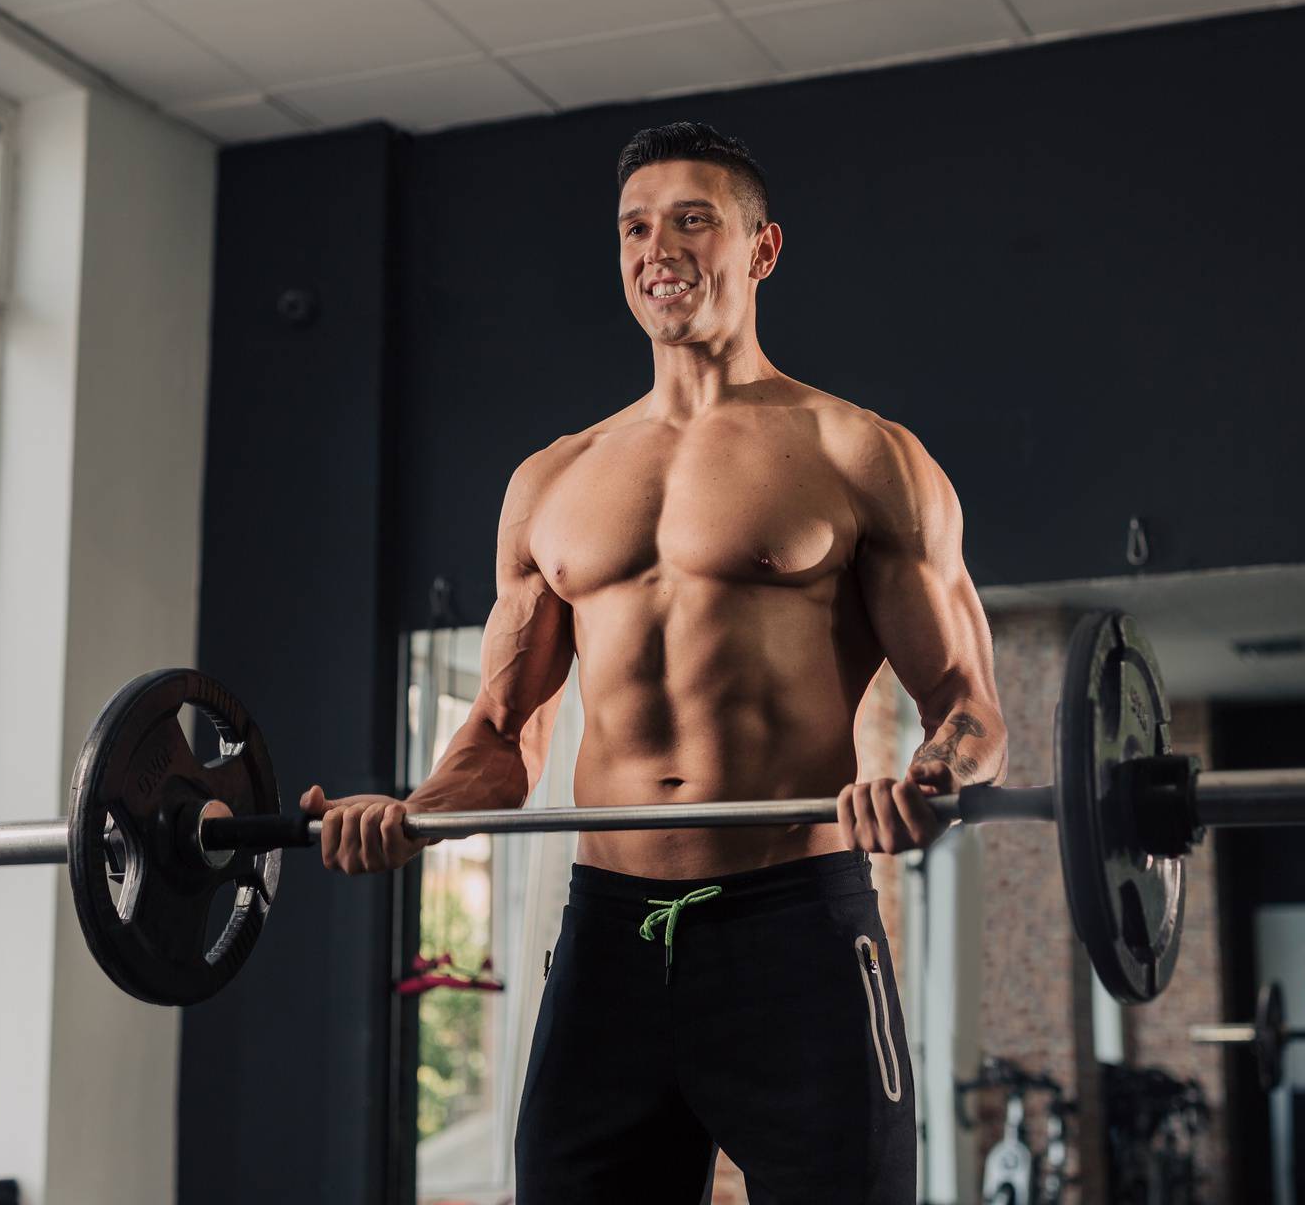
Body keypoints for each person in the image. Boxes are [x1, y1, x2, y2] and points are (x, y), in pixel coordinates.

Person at [300, 121, 1006, 1203]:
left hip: (794, 928)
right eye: (635, 226)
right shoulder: (553, 479)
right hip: (609, 941)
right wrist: (410, 813)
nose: (656, 248)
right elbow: (502, 737)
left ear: (761, 249)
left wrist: (932, 778)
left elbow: (969, 705)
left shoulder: (858, 454)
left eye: (692, 219)